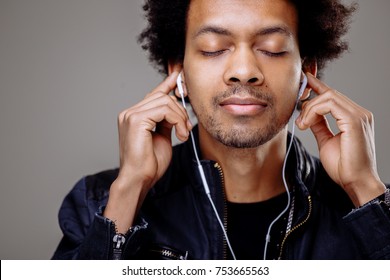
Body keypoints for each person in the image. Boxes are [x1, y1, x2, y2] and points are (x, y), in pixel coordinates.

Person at [52, 0, 390, 260]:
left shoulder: (368, 204)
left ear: (306, 72)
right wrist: (129, 191)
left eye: (271, 48)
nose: (243, 71)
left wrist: (366, 192)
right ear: (178, 72)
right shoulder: (97, 203)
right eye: (214, 48)